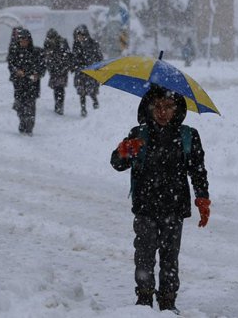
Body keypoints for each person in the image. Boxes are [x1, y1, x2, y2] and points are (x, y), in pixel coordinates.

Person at [110, 85, 211, 313]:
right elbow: (117, 164)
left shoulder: (188, 136)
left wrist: (202, 199)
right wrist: (124, 150)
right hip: (145, 206)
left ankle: (168, 303)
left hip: (174, 208)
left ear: (178, 109)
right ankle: (144, 301)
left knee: (169, 258)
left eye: (168, 107)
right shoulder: (139, 134)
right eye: (157, 106)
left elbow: (198, 170)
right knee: (144, 256)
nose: (162, 112)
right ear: (148, 107)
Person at [7, 28, 45, 136]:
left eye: (25, 40)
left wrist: (37, 74)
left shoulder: (36, 52)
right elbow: (11, 65)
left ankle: (29, 127)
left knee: (30, 108)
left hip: (32, 85)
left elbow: (42, 67)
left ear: (29, 40)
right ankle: (22, 122)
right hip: (19, 84)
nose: (23, 42)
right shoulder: (15, 52)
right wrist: (16, 71)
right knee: (20, 106)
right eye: (21, 40)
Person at [71, 24, 103, 117]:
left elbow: (98, 56)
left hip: (91, 71)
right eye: (78, 35)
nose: (80, 37)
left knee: (91, 91)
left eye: (82, 35)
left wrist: (94, 65)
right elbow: (74, 58)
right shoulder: (76, 45)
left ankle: (95, 103)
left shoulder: (93, 44)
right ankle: (83, 108)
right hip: (80, 72)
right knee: (82, 92)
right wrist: (76, 65)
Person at [43, 28, 71, 115]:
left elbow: (67, 55)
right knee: (56, 88)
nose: (51, 40)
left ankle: (60, 105)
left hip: (62, 69)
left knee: (60, 88)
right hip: (53, 69)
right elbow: (46, 55)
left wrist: (65, 65)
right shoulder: (47, 43)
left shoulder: (62, 42)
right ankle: (58, 104)